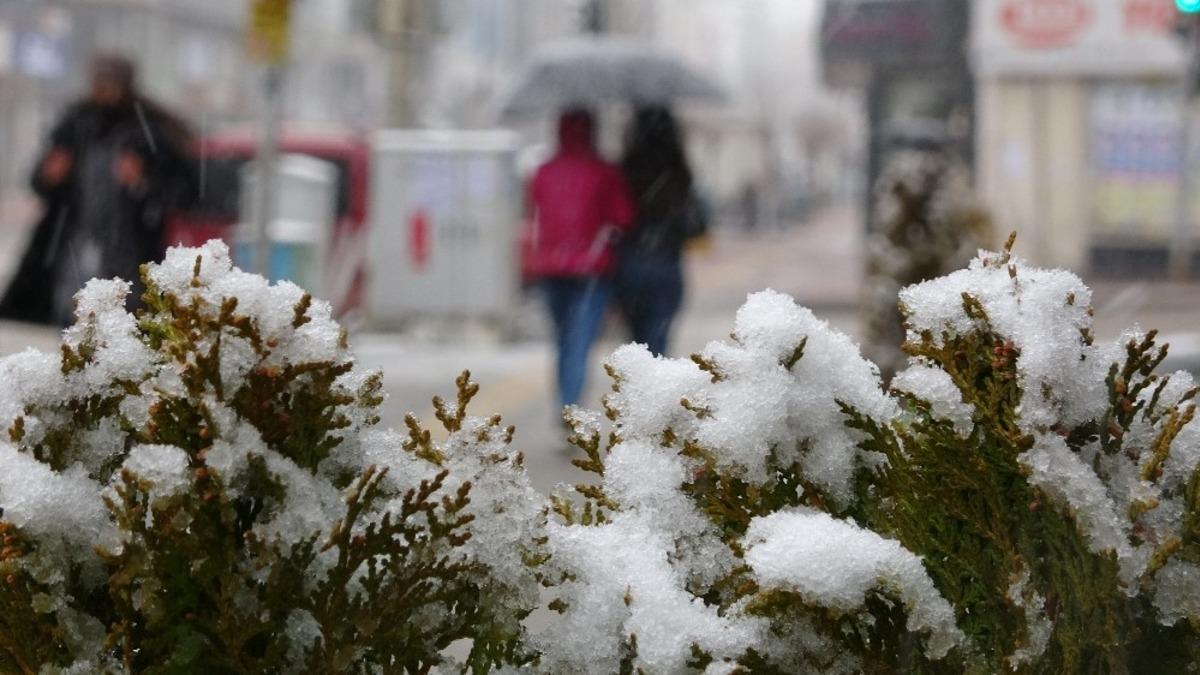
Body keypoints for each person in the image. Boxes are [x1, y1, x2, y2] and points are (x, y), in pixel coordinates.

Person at [0, 54, 196, 325]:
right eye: (99, 80)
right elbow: (41, 183)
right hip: (71, 242)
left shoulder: (149, 132)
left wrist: (142, 183)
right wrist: (50, 176)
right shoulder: (76, 125)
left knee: (125, 316)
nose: (103, 89)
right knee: (69, 313)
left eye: (110, 81)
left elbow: (182, 194)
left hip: (130, 248)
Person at [526, 109, 634, 409]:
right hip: (592, 270)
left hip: (551, 267)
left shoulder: (544, 171)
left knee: (561, 340)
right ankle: (571, 405)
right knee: (580, 340)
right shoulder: (604, 171)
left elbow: (535, 210)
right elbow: (623, 217)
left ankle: (563, 401)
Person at [616, 106, 709, 357]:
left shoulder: (626, 169)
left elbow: (618, 219)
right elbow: (695, 226)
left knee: (636, 347)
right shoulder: (679, 171)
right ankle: (656, 379)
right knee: (658, 342)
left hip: (631, 265)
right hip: (667, 264)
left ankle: (641, 379)